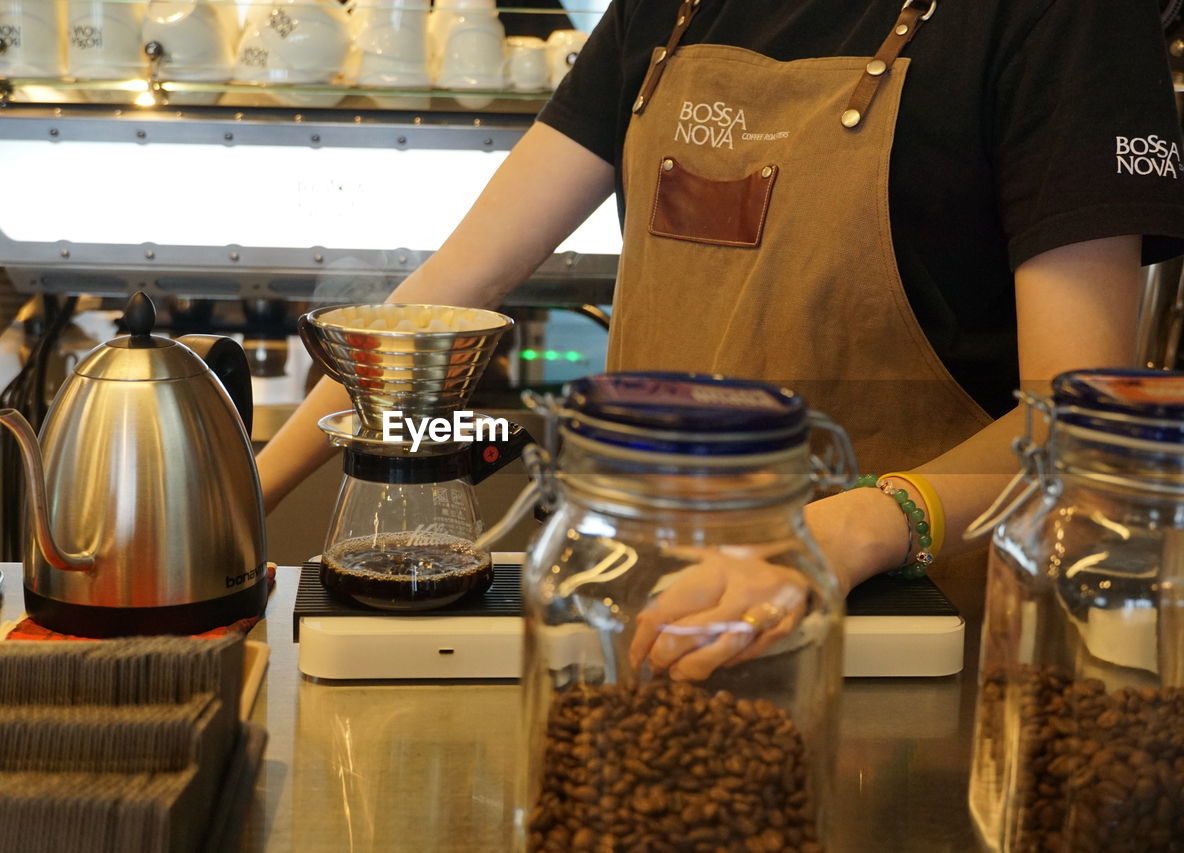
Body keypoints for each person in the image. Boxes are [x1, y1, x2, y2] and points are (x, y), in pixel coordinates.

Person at [261, 0, 1184, 680]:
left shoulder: (1071, 19)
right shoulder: (668, 9)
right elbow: (440, 305)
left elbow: (1073, 428)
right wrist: (236, 504)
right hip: (642, 617)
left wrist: (860, 524)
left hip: (911, 647)